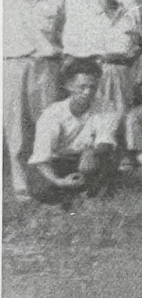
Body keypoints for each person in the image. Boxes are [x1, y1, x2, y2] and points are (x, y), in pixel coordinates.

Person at [4, 0, 64, 201]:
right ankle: (21, 185)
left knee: (46, 124)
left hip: (46, 66)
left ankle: (48, 182)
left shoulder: (56, 0)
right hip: (12, 66)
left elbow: (63, 36)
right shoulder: (3, 0)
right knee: (16, 128)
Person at [26, 59, 120, 203]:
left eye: (92, 87)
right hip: (57, 162)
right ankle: (71, 192)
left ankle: (86, 192)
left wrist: (91, 152)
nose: (88, 92)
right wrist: (59, 181)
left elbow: (106, 140)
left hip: (87, 159)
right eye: (82, 87)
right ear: (68, 86)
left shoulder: (105, 107)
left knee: (109, 159)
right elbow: (41, 158)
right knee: (39, 185)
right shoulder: (52, 114)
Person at [62, 0, 142, 114]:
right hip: (93, 74)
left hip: (122, 75)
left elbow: (138, 44)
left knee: (121, 117)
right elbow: (71, 49)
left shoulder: (129, 14)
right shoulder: (83, 14)